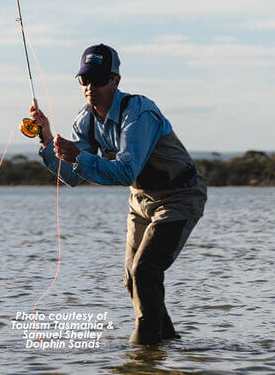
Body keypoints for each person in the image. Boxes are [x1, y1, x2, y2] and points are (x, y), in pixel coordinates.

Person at [30, 43, 207, 345]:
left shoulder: (139, 114)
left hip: (179, 195)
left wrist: (78, 156)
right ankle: (166, 347)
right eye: (84, 80)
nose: (90, 87)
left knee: (145, 270)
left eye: (98, 79)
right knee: (132, 280)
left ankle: (141, 352)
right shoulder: (85, 119)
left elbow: (125, 171)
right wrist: (47, 138)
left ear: (115, 81)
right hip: (141, 200)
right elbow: (73, 176)